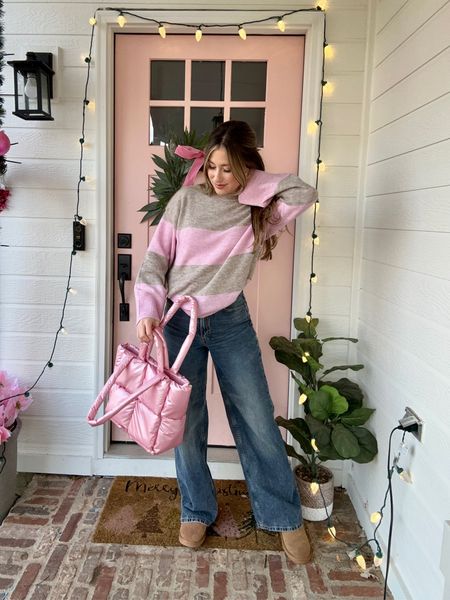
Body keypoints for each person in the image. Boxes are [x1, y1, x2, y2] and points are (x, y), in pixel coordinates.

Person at [135, 120, 317, 564]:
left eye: (228, 169)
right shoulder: (185, 202)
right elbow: (154, 261)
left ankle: (283, 517)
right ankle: (197, 509)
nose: (217, 177)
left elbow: (302, 192)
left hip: (230, 320)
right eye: (212, 166)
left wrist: (251, 178)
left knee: (255, 416)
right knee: (189, 421)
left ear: (246, 169)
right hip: (179, 323)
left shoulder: (256, 210)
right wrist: (147, 311)